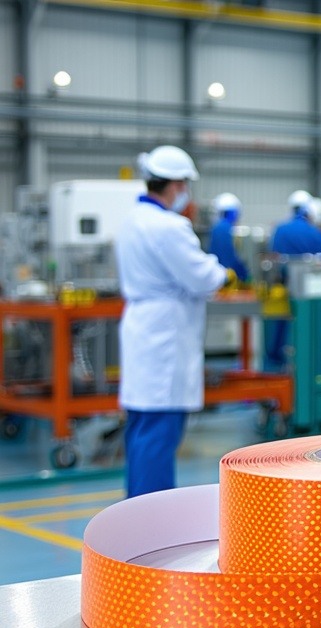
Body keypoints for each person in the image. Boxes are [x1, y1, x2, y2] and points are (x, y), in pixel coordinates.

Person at [115, 145, 230, 497]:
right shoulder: (168, 227)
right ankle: (151, 524)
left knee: (141, 434)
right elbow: (204, 278)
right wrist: (223, 272)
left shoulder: (131, 220)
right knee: (159, 438)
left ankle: (135, 513)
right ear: (176, 185)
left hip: (142, 328)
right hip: (164, 338)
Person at [264, 190, 321, 371]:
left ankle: (278, 365)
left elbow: (273, 256)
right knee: (309, 334)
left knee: (280, 333)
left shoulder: (279, 229)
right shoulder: (314, 232)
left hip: (283, 293)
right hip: (311, 297)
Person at [208, 192, 249, 282]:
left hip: (216, 277)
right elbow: (232, 259)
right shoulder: (226, 229)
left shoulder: (216, 229)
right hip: (227, 278)